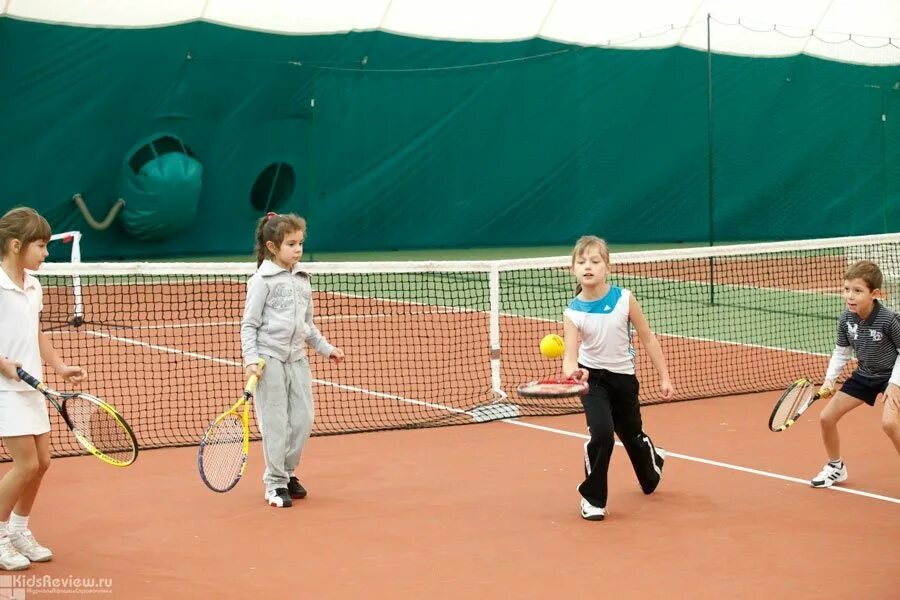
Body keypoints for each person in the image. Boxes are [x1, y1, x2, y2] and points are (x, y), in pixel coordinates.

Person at [562, 235, 673, 521]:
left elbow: (648, 339)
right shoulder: (572, 312)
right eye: (581, 262)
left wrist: (664, 376)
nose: (588, 266)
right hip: (592, 381)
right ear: (573, 269)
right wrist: (574, 373)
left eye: (595, 261)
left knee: (633, 438)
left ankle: (652, 460)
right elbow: (570, 355)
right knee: (601, 434)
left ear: (607, 267)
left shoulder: (624, 299)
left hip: (624, 380)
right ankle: (593, 499)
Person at [0, 207, 85, 569]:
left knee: (43, 463)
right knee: (25, 464)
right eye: (41, 246)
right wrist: (2, 363)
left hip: (33, 385)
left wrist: (60, 367)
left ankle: (19, 530)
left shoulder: (34, 285)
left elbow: (35, 333)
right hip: (4, 389)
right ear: (15, 245)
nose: (46, 253)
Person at [241, 212, 344, 508]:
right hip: (269, 361)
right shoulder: (261, 281)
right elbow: (249, 325)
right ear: (272, 247)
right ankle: (274, 483)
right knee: (275, 424)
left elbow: (307, 325)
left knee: (302, 421)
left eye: (300, 243)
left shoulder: (302, 279)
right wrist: (251, 359)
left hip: (298, 360)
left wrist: (326, 348)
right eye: (291, 244)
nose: (298, 249)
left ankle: (286, 473)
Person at [810, 260, 900, 488]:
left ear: (875, 294)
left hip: (892, 376)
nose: (850, 296)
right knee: (826, 418)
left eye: (857, 291)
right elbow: (841, 352)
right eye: (846, 289)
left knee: (890, 424)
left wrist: (895, 384)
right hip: (864, 374)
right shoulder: (846, 319)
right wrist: (829, 381)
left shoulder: (889, 320)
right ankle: (835, 467)